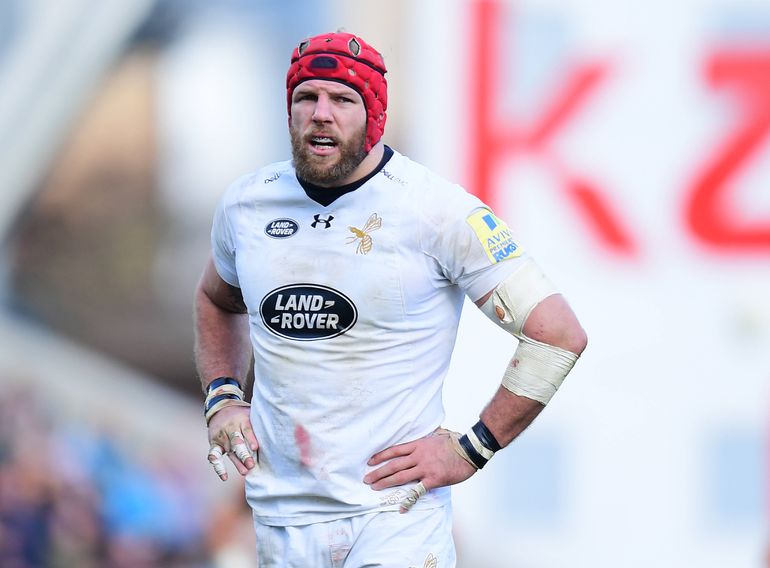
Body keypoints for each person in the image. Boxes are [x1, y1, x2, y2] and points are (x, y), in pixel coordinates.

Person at [193, 31, 587, 568]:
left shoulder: (437, 210)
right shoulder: (247, 204)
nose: (321, 114)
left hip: (394, 518)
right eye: (306, 97)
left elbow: (557, 334)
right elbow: (216, 299)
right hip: (281, 519)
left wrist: (473, 448)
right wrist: (222, 396)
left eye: (342, 99)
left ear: (374, 115)